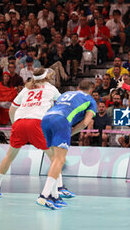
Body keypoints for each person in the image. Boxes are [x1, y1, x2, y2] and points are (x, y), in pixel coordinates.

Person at [0, 69, 73, 200]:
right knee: (54, 157)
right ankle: (59, 188)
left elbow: (12, 109)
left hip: (19, 123)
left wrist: (15, 123)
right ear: (46, 78)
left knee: (9, 156)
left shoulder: (26, 89)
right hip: (36, 122)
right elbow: (64, 104)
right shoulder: (51, 89)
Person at [37, 80, 97, 209]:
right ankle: (44, 196)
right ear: (92, 89)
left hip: (46, 119)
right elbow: (86, 122)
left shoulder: (66, 93)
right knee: (60, 160)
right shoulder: (91, 100)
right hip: (62, 121)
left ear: (78, 87)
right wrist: (71, 132)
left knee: (54, 159)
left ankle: (54, 195)